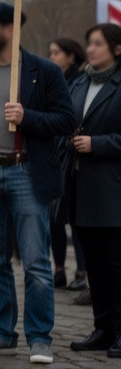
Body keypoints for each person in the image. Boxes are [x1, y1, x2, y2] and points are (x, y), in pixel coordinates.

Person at [0, 2, 76, 364]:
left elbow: (66, 120)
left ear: (9, 29)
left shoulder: (44, 70)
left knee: (36, 262)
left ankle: (39, 338)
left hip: (27, 173)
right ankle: (2, 332)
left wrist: (28, 117)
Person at [65, 23, 121, 356]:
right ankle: (103, 328)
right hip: (80, 186)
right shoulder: (80, 82)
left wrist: (98, 144)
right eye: (89, 43)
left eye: (98, 43)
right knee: (95, 265)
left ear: (117, 49)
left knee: (116, 264)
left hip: (113, 188)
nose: (91, 48)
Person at [49, 37, 88, 293]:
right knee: (54, 218)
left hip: (73, 158)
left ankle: (82, 272)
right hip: (54, 157)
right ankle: (59, 268)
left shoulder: (81, 82)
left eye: (56, 53)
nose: (52, 57)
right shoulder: (54, 81)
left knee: (76, 217)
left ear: (71, 56)